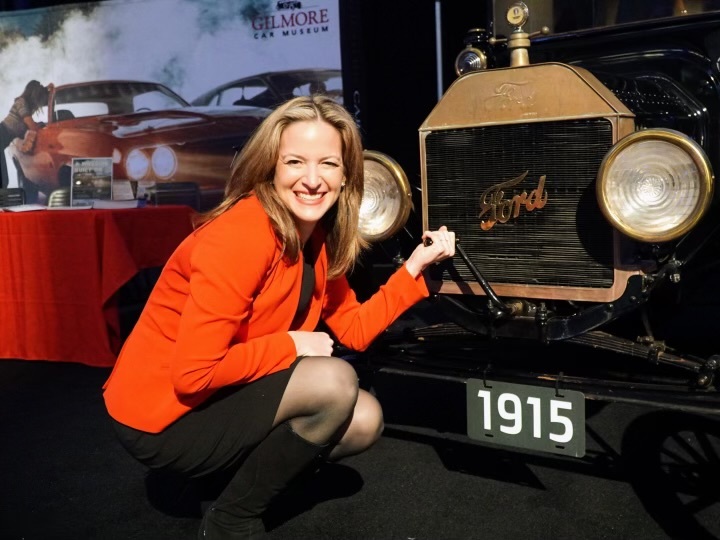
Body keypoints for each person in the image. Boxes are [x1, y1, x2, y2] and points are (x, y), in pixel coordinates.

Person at [102, 95, 456, 540]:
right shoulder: (242, 236)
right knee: (334, 383)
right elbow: (192, 375)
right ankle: (231, 519)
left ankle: (231, 483)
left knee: (364, 419)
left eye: (328, 163)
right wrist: (292, 345)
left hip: (219, 392)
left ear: (347, 175)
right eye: (295, 162)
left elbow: (355, 331)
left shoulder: (317, 239)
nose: (312, 180)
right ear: (271, 166)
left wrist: (413, 269)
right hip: (162, 418)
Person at [0, 80, 53, 189]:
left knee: (3, 179)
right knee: (3, 179)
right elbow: (31, 126)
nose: (38, 99)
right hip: (2, 133)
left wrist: (48, 89)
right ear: (33, 93)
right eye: (37, 94)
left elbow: (44, 100)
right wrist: (40, 126)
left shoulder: (27, 105)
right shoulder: (21, 103)